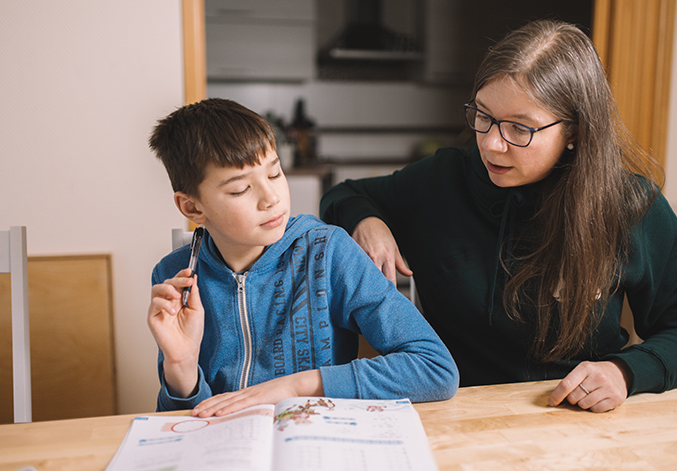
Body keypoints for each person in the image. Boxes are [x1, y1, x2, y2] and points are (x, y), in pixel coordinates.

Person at [320, 19, 677, 413]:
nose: (493, 144)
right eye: (483, 116)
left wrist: (625, 371)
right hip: (455, 412)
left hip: (571, 418)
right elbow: (345, 194)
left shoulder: (630, 205)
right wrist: (366, 222)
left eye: (520, 128)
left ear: (575, 131)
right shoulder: (442, 179)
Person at [146, 98, 459, 417]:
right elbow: (182, 420)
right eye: (240, 189)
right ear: (192, 208)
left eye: (275, 173)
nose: (271, 198)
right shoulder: (175, 276)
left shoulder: (329, 252)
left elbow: (434, 368)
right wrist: (180, 367)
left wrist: (294, 387)